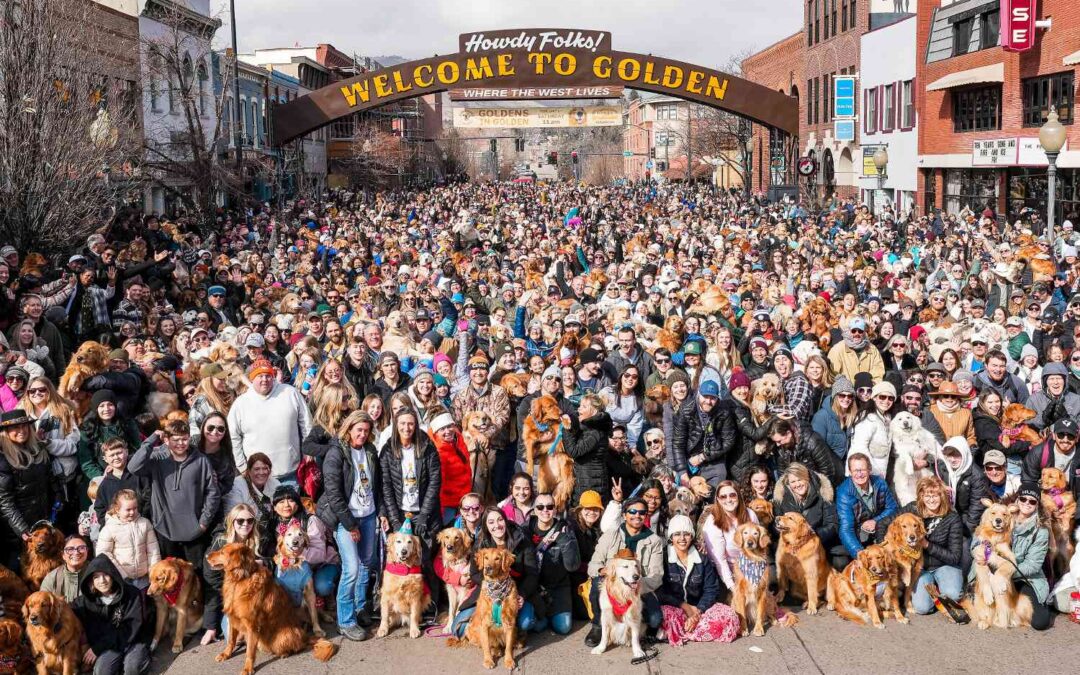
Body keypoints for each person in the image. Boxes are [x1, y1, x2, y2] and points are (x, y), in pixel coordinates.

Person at [317, 410, 380, 641]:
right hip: (346, 519)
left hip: (369, 514)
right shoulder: (336, 453)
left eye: (366, 430)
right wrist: (350, 524)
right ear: (349, 429)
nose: (362, 434)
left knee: (366, 564)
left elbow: (378, 485)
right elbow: (333, 493)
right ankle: (346, 621)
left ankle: (360, 608)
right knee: (351, 569)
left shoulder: (370, 451)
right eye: (358, 430)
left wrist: (379, 513)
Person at [128, 419, 220, 564]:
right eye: (175, 439)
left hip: (194, 530)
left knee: (194, 576)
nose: (181, 443)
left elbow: (212, 493)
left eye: (184, 439)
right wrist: (150, 441)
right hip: (164, 528)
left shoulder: (201, 461)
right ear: (166, 439)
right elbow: (133, 467)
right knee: (169, 575)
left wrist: (203, 522)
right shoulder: (157, 457)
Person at [969, 482, 1051, 630]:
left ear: (1037, 505)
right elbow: (981, 532)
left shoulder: (1041, 531)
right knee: (986, 582)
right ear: (1017, 500)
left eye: (1032, 501)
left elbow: (1032, 566)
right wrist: (977, 550)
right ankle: (990, 616)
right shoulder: (1004, 511)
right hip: (996, 571)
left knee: (1041, 622)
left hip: (1025, 578)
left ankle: (1010, 613)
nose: (1027, 503)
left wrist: (1004, 573)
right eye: (1023, 499)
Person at [584, 496, 664, 647]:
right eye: (632, 511)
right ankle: (598, 626)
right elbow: (593, 565)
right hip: (612, 585)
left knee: (655, 619)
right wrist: (604, 570)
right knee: (597, 583)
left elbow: (656, 577)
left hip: (639, 587)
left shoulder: (654, 541)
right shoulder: (610, 535)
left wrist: (634, 587)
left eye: (642, 512)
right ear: (624, 515)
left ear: (646, 515)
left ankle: (632, 629)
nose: (637, 515)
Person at [451, 507, 540, 637]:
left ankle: (523, 627)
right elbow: (475, 574)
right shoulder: (481, 542)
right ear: (486, 526)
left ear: (505, 521)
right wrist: (492, 587)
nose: (497, 525)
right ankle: (489, 626)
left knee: (525, 623)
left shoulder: (522, 540)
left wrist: (522, 594)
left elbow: (532, 574)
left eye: (500, 520)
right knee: (458, 630)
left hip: (517, 592)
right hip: (488, 592)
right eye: (491, 522)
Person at [657, 514, 739, 646]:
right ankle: (692, 631)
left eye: (687, 534)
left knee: (729, 616)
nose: (682, 538)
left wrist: (697, 612)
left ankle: (681, 633)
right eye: (677, 534)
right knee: (663, 614)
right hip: (675, 607)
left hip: (699, 608)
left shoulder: (702, 559)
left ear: (692, 536)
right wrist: (684, 606)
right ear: (671, 537)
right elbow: (661, 591)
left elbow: (711, 589)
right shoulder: (664, 558)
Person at [228, 358, 312, 486]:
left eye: (268, 375)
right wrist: (242, 466)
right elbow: (233, 437)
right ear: (251, 378)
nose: (264, 380)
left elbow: (306, 424)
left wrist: (308, 451)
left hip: (290, 472)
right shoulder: (240, 403)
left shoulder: (290, 393)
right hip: (257, 477)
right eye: (260, 376)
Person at [72, 555, 153, 675]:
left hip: (133, 641)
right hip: (109, 646)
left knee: (132, 669)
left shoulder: (132, 594)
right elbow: (65, 611)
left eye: (106, 575)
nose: (102, 580)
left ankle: (140, 658)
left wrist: (97, 648)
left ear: (113, 575)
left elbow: (130, 629)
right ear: (91, 581)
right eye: (96, 577)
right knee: (102, 672)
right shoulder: (85, 601)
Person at [201, 503, 264, 645]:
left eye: (250, 520)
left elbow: (273, 560)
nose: (245, 524)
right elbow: (213, 585)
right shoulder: (220, 543)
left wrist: (263, 563)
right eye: (240, 521)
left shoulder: (260, 539)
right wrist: (210, 626)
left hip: (256, 596)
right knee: (236, 636)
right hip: (233, 599)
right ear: (232, 522)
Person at [379, 408, 441, 549]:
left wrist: (425, 514)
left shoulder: (427, 447)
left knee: (424, 558)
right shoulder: (388, 450)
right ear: (396, 424)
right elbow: (386, 486)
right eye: (402, 423)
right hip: (400, 512)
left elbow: (434, 482)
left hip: (424, 512)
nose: (406, 428)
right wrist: (394, 520)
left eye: (411, 424)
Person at [0, 409, 54, 569]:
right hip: (18, 529)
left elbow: (50, 480)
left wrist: (57, 499)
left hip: (42, 520)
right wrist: (21, 528)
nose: (21, 431)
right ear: (6, 432)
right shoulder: (2, 458)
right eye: (15, 428)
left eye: (24, 426)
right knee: (19, 569)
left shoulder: (37, 449)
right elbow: (4, 501)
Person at [907, 477, 964, 615]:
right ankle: (933, 592)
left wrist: (927, 545)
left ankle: (942, 588)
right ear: (921, 496)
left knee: (953, 595)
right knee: (922, 608)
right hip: (921, 568)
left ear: (942, 496)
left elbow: (955, 557)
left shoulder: (952, 518)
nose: (931, 500)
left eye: (935, 496)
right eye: (927, 495)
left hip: (944, 565)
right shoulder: (912, 509)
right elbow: (885, 523)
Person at [526, 491, 581, 635]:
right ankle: (544, 615)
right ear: (534, 510)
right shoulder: (526, 530)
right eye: (540, 507)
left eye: (550, 507)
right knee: (534, 626)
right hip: (535, 588)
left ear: (555, 509)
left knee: (563, 627)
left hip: (558, 587)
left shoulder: (565, 529)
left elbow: (573, 566)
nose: (545, 510)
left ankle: (550, 613)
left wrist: (563, 539)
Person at [772, 462, 844, 568]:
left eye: (800, 479)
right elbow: (775, 525)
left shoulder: (823, 493)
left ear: (807, 478)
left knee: (840, 562)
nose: (797, 484)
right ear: (788, 484)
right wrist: (792, 537)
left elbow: (832, 524)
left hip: (819, 545)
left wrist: (811, 535)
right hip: (792, 548)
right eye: (793, 482)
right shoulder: (781, 498)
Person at [671, 380, 736, 486]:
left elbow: (728, 441)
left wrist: (703, 456)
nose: (708, 401)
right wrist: (682, 472)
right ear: (698, 395)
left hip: (713, 456)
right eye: (705, 397)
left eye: (712, 398)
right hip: (689, 457)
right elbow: (678, 443)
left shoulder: (724, 411)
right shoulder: (686, 409)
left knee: (720, 475)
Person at [700, 480, 759, 592]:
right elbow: (719, 560)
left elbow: (757, 549)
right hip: (724, 572)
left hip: (749, 567)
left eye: (732, 495)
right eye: (723, 497)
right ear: (718, 499)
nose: (728, 500)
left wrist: (755, 578)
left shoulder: (750, 514)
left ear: (738, 496)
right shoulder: (713, 522)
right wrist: (733, 587)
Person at [835, 452, 899, 557]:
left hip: (880, 529)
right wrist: (859, 553)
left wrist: (876, 521)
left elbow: (893, 508)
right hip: (858, 535)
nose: (859, 474)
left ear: (869, 470)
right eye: (855, 470)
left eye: (863, 470)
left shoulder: (880, 483)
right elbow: (846, 528)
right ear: (850, 472)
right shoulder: (844, 492)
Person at [94, 489, 160, 588]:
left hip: (144, 577)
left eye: (135, 508)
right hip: (122, 579)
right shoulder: (109, 528)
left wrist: (154, 572)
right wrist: (120, 573)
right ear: (117, 509)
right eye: (128, 509)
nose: (132, 512)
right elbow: (103, 554)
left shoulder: (145, 523)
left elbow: (153, 550)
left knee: (144, 601)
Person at [560, 392, 611, 503]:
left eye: (584, 407)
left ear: (594, 411)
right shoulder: (589, 428)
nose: (579, 410)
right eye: (579, 406)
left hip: (591, 484)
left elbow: (574, 451)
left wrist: (567, 429)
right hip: (585, 480)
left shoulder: (595, 432)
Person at [1022, 418, 1080, 506]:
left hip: (1073, 502)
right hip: (1043, 499)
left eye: (1070, 436)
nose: (1065, 439)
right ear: (1053, 435)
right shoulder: (1038, 452)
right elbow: (1028, 481)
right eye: (1060, 435)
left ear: (1077, 438)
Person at [847, 381, 896, 478]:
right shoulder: (868, 418)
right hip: (864, 474)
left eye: (890, 398)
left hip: (880, 473)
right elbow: (860, 447)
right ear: (874, 397)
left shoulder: (887, 417)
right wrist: (874, 472)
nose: (886, 401)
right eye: (882, 397)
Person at [568, 490, 603, 620]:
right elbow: (572, 563)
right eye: (587, 509)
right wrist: (593, 568)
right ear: (580, 510)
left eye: (596, 509)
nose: (592, 513)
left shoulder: (599, 528)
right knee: (584, 614)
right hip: (576, 576)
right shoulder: (572, 528)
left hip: (591, 573)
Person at [41, 534, 92, 602]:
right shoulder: (52, 578)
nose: (76, 552)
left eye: (81, 548)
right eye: (70, 549)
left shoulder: (97, 572)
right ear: (63, 555)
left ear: (87, 551)